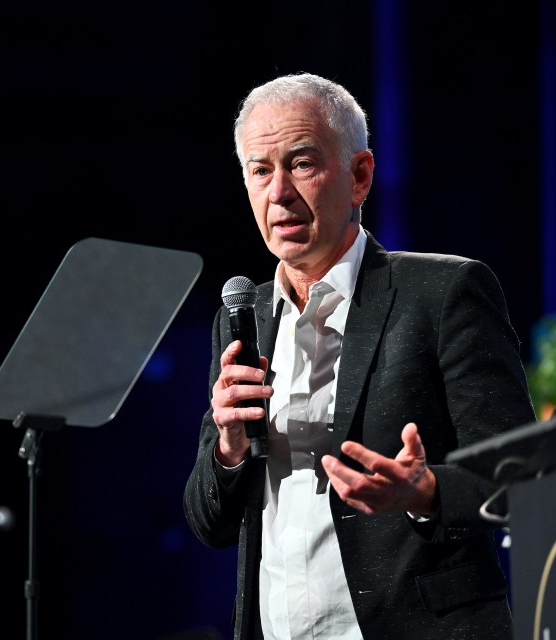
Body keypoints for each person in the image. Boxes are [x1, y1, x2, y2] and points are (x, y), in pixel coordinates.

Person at [183, 72, 537, 640]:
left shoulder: (442, 294)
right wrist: (226, 450)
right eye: (259, 170)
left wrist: (425, 493)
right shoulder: (243, 318)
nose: (278, 193)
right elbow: (210, 525)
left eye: (301, 164)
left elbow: (521, 477)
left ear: (360, 175)